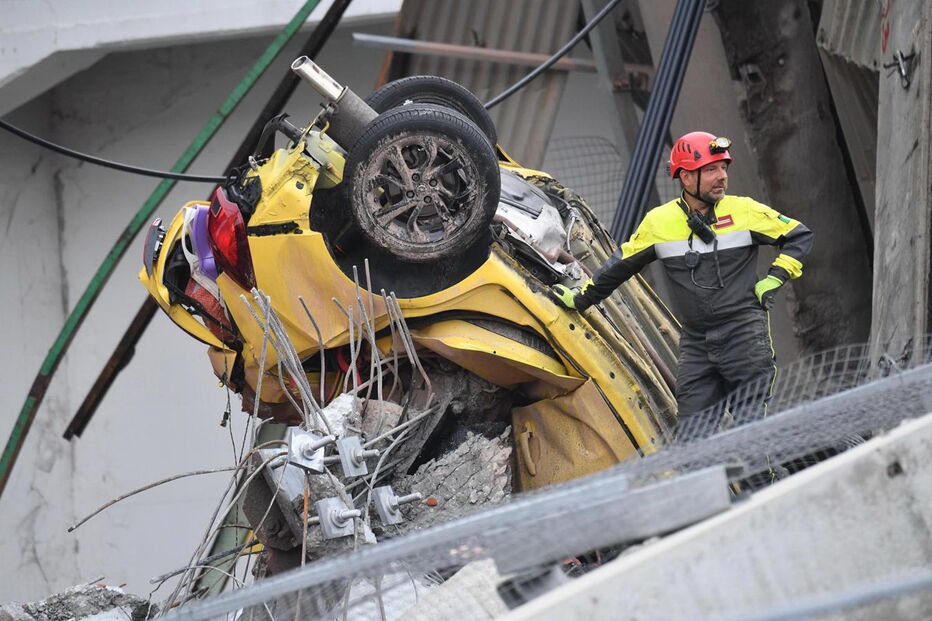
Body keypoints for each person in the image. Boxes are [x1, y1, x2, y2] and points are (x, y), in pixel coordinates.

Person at [551, 131, 813, 435]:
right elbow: (618, 266)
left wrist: (775, 278)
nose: (722, 177)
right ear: (686, 177)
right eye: (712, 169)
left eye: (724, 168)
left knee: (750, 437)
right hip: (697, 344)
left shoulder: (744, 210)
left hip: (744, 335)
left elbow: (799, 236)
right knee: (692, 441)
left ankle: (766, 481)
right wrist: (580, 299)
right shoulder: (659, 223)